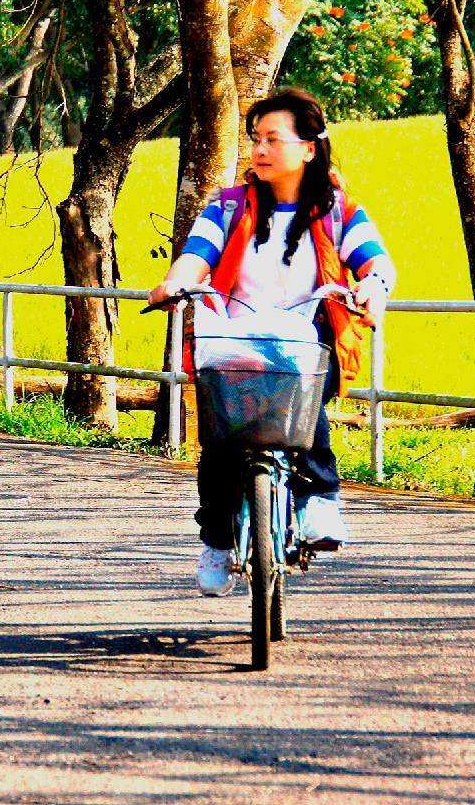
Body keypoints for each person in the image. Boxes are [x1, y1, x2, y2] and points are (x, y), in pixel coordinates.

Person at [147, 88, 395, 597]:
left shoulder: (338, 210)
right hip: (235, 343)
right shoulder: (230, 206)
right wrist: (177, 282)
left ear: (308, 148)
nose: (259, 150)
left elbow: (374, 261)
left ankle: (320, 502)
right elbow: (197, 253)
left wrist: (372, 287)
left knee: (306, 415)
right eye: (255, 139)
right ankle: (216, 540)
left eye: (272, 139)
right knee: (218, 446)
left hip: (304, 344)